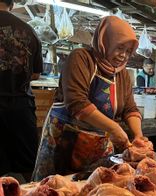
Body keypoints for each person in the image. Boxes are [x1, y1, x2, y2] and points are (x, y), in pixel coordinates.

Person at [32, 16, 143, 181]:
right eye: (120, 48)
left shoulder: (122, 74)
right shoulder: (81, 58)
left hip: (98, 149)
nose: (123, 55)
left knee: (93, 188)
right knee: (53, 188)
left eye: (128, 51)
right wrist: (113, 128)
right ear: (106, 41)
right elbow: (77, 103)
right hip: (64, 143)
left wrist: (138, 136)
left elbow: (130, 108)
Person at [0, 0, 43, 183]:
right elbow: (35, 74)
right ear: (12, 3)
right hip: (21, 108)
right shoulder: (29, 31)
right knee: (28, 168)